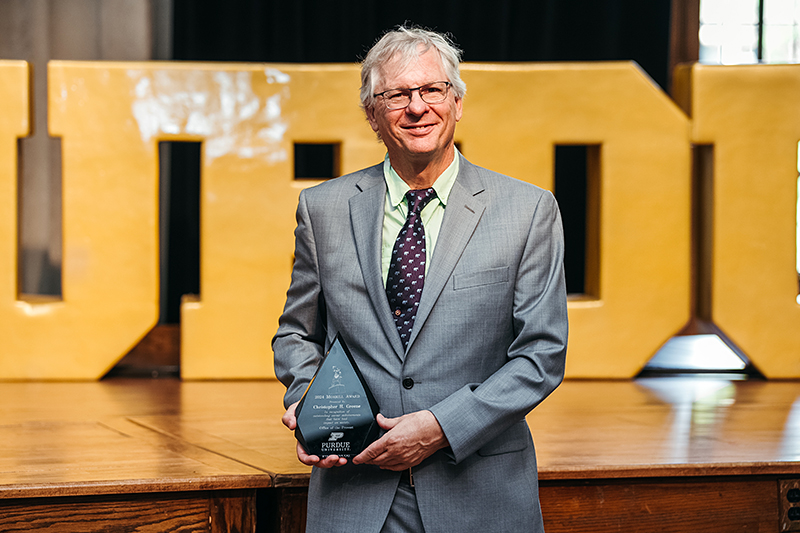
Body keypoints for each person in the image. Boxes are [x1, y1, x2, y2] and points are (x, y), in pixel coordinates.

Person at [273, 25, 568, 533]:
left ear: (456, 102)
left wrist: (440, 427)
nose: (417, 107)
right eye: (396, 95)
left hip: (480, 492)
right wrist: (313, 401)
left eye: (432, 90)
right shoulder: (322, 208)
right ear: (372, 113)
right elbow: (297, 333)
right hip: (355, 493)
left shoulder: (528, 210)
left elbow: (541, 355)